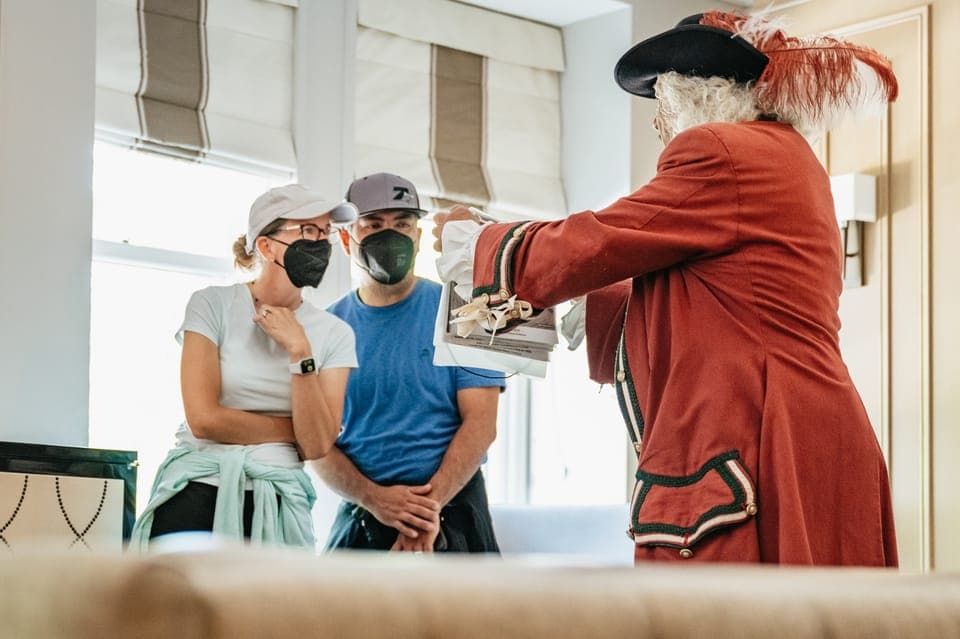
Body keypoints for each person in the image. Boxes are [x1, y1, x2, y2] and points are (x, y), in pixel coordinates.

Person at [433, 12, 899, 565]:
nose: (659, 123)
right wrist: (565, 294)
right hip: (803, 427)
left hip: (757, 428)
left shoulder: (720, 149)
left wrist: (480, 242)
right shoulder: (788, 157)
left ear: (692, 94)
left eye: (662, 101)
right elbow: (692, 297)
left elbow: (598, 241)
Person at [130, 184, 359, 550]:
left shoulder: (334, 334)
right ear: (266, 246)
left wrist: (300, 352)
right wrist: (292, 429)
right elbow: (203, 420)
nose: (319, 243)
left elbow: (316, 445)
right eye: (307, 231)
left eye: (324, 233)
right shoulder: (211, 305)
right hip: (195, 493)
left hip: (277, 502)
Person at [313, 172, 503, 553]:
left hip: (456, 511)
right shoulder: (324, 331)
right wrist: (375, 499)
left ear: (418, 237)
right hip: (363, 514)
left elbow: (481, 423)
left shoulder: (463, 314)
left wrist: (424, 513)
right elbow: (316, 443)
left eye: (402, 224)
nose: (391, 236)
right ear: (348, 239)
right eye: (374, 225)